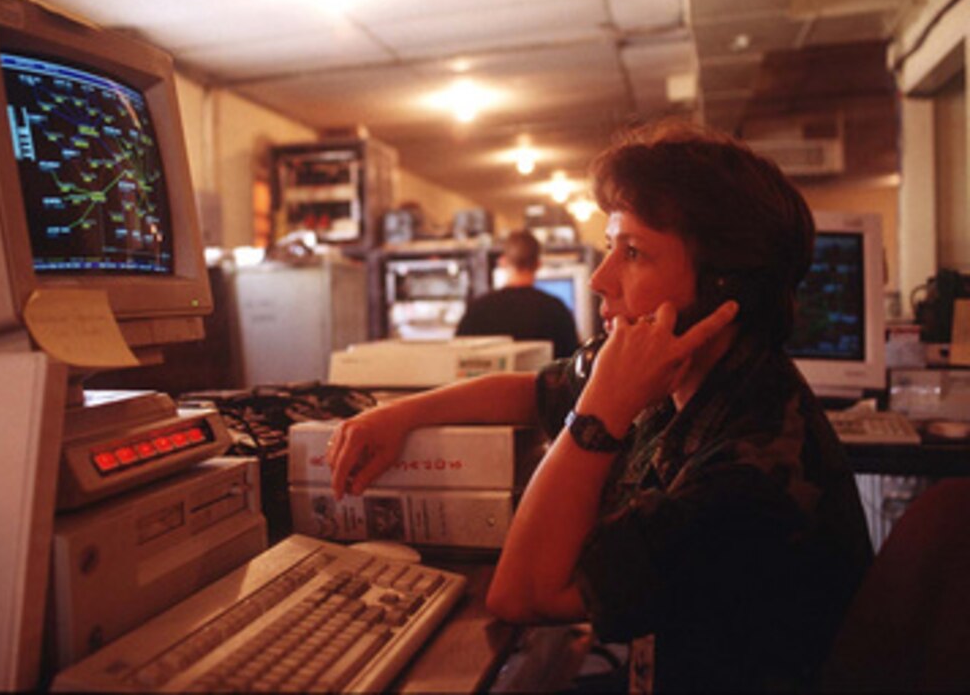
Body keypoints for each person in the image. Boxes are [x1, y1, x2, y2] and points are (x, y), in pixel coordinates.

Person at [325, 121, 874, 692]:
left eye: (633, 252)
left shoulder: (750, 476)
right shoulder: (685, 371)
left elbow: (524, 593)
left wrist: (600, 416)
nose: (599, 279)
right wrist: (399, 414)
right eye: (611, 247)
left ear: (720, 292)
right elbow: (533, 389)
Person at [456, 229, 579, 358]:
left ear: (503, 262)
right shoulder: (556, 309)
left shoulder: (478, 309)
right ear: (538, 264)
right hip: (538, 379)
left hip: (493, 379)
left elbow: (459, 358)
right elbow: (570, 364)